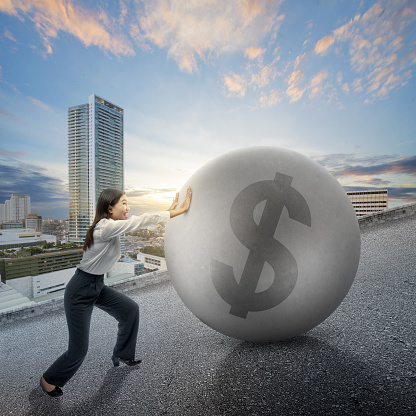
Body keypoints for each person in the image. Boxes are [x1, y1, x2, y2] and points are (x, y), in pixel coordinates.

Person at [40, 186, 192, 397]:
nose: (128, 208)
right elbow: (138, 221)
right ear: (109, 208)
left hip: (96, 285)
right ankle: (48, 379)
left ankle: (122, 354)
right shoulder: (104, 227)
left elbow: (136, 223)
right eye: (124, 203)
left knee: (130, 309)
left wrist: (167, 212)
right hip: (80, 290)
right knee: (79, 350)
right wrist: (174, 211)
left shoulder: (112, 227)